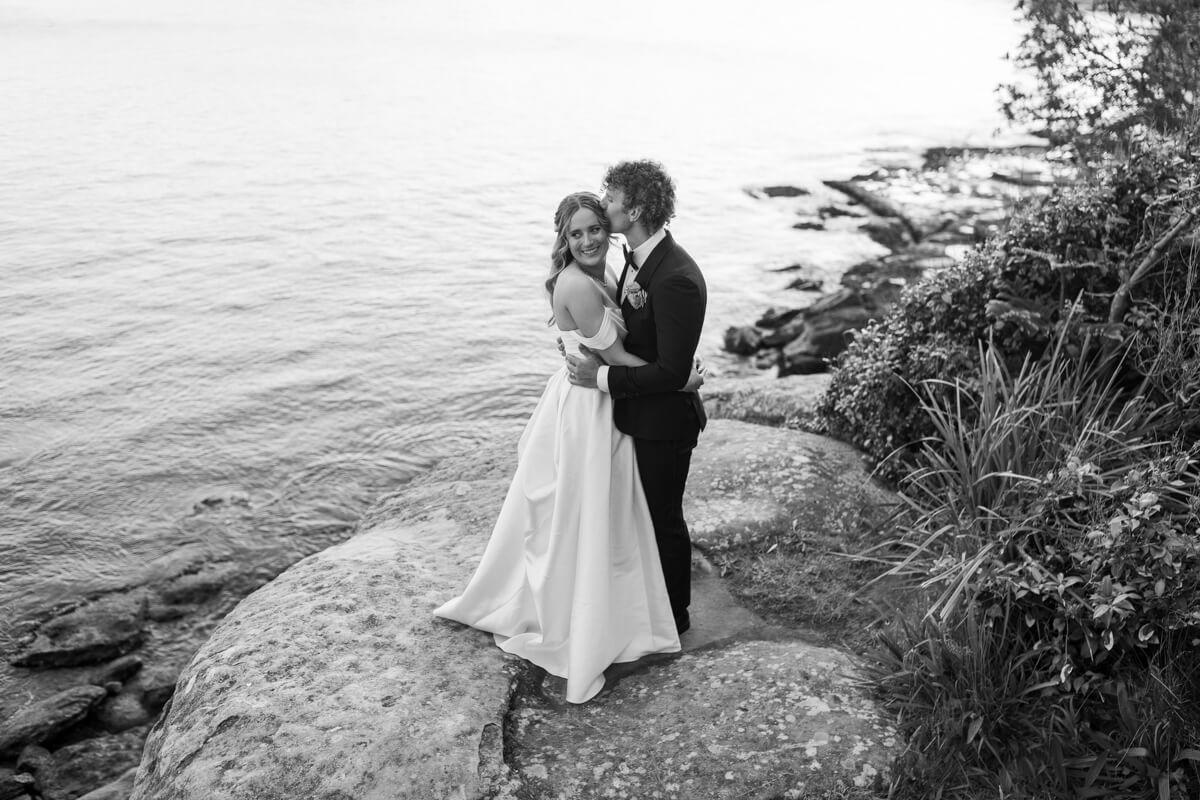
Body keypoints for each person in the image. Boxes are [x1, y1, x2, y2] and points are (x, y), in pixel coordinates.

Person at [434, 191, 695, 704]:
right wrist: (681, 379)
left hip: (599, 397)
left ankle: (610, 595)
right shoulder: (578, 285)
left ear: (608, 228)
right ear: (564, 239)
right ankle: (586, 608)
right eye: (576, 234)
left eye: (595, 228)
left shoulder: (607, 270)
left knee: (603, 509)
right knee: (587, 508)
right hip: (589, 406)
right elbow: (618, 357)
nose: (588, 239)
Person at [565, 159, 707, 637]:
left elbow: (669, 369)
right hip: (642, 414)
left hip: (666, 421)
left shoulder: (676, 276)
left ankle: (676, 617)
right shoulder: (636, 259)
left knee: (665, 520)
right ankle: (650, 604)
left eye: (611, 200)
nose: (605, 209)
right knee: (644, 517)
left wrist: (601, 377)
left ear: (638, 208)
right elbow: (654, 347)